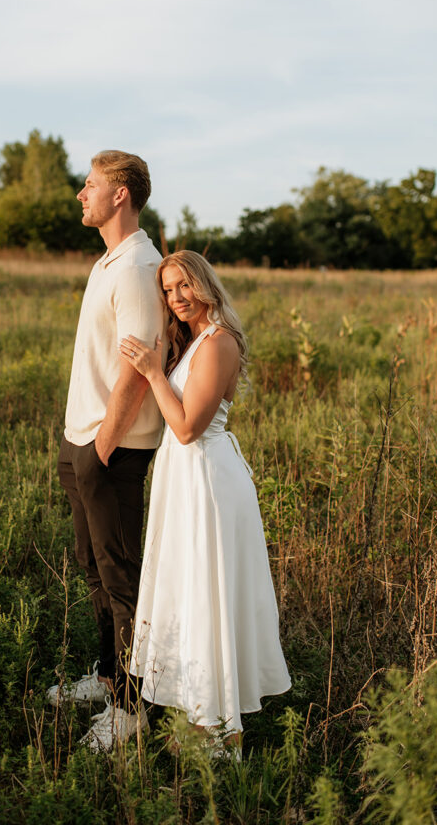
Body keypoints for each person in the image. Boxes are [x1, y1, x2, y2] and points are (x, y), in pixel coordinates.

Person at [119, 250, 290, 754]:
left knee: (209, 589)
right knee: (192, 589)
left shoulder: (218, 343)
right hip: (185, 479)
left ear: (204, 284)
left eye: (183, 286)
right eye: (168, 291)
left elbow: (189, 427)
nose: (176, 299)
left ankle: (222, 728)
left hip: (208, 479)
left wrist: (153, 372)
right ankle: (203, 714)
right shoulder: (194, 341)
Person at [47, 150, 165, 752]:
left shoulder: (140, 266)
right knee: (93, 568)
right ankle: (105, 677)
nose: (81, 194)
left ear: (121, 194)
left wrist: (100, 448)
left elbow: (137, 371)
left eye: (90, 185)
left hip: (111, 450)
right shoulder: (107, 263)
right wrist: (78, 445)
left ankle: (131, 708)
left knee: (122, 579)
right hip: (81, 441)